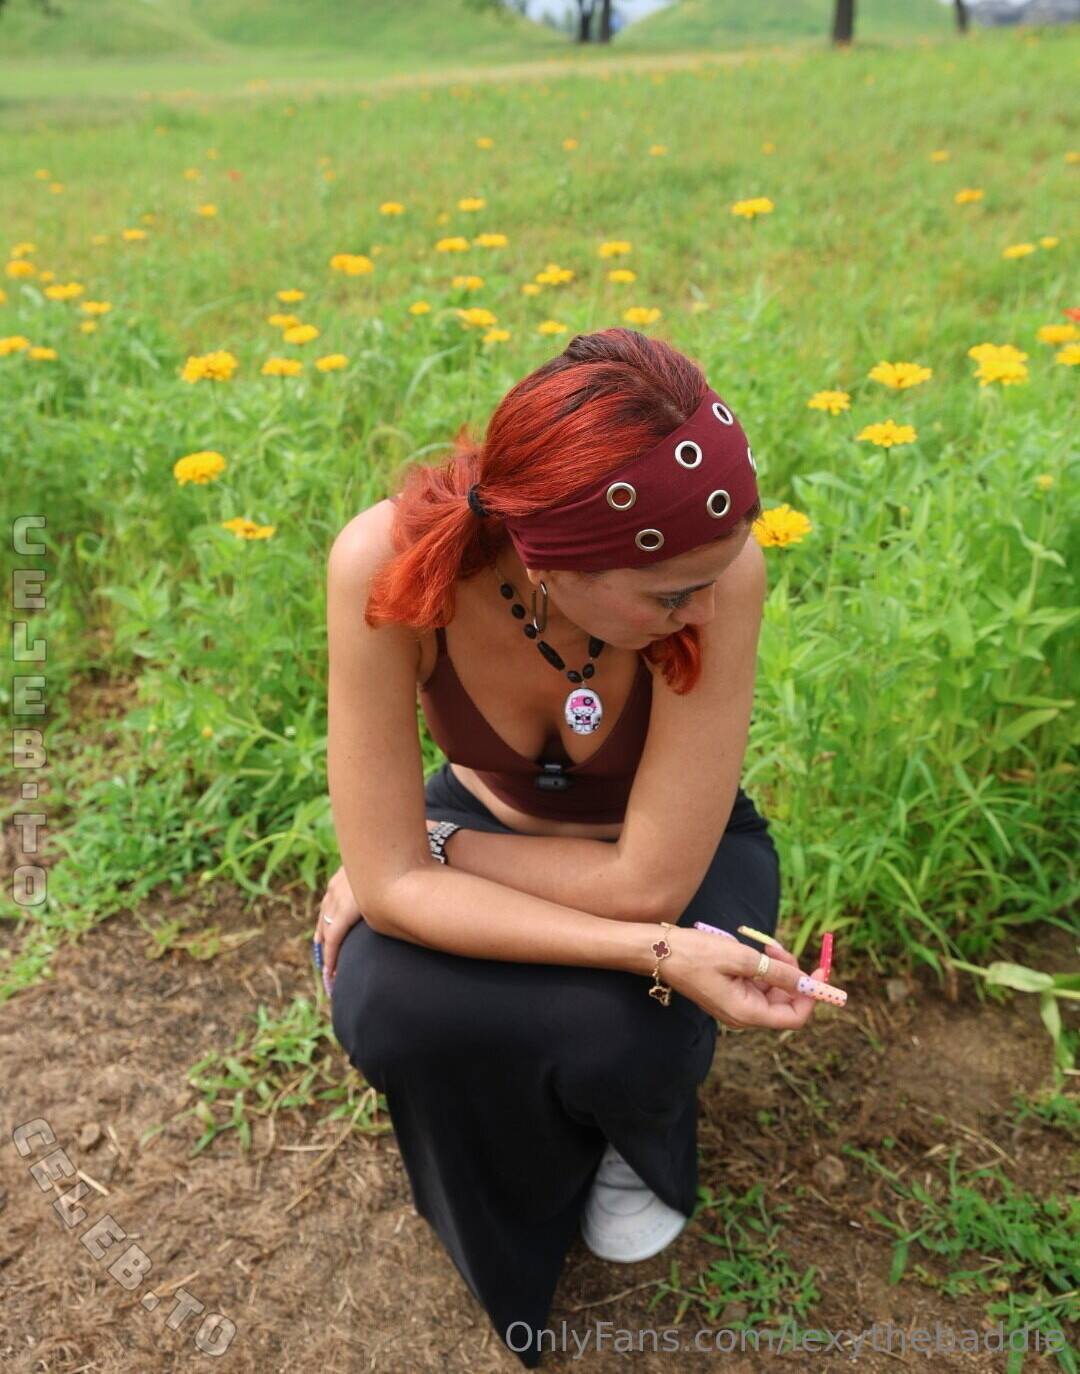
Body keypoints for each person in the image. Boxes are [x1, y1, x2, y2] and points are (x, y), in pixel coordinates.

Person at [317, 327, 838, 1366]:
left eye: (710, 579)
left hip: (674, 848)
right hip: (485, 824)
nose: (704, 606)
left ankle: (631, 1138)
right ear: (548, 560)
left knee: (622, 1032)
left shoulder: (720, 573)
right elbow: (391, 882)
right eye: (670, 595)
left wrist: (424, 854)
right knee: (388, 1004)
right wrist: (657, 952)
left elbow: (648, 884)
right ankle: (503, 1166)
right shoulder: (384, 563)